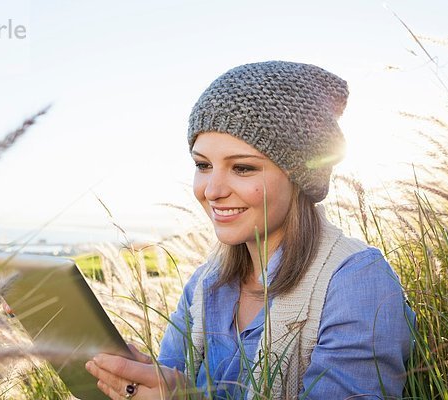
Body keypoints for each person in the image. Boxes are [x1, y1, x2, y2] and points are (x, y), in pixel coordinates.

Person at [85, 60, 415, 399]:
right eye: (203, 165)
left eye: (242, 168)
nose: (212, 190)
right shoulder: (205, 286)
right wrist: (140, 381)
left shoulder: (356, 281)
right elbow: (172, 380)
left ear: (299, 176)